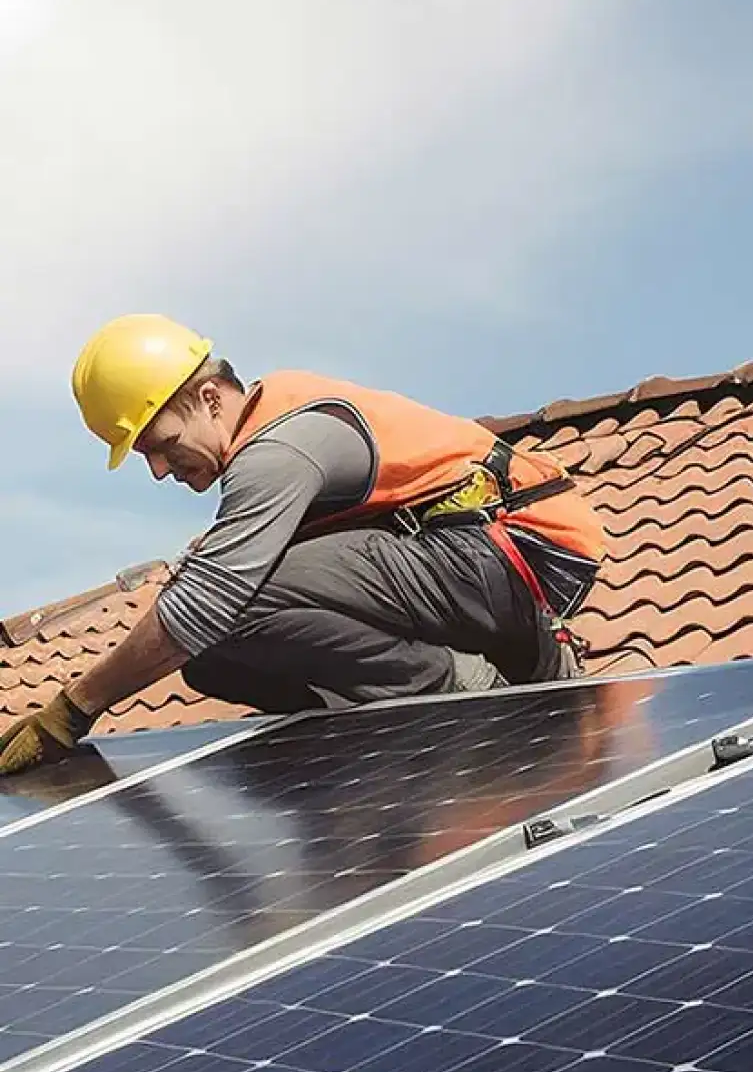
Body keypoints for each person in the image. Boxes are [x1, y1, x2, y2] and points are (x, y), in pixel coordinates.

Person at [0, 314, 607, 776]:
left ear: (209, 398)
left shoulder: (277, 453)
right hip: (465, 566)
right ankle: (370, 735)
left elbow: (204, 604)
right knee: (212, 659)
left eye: (162, 441)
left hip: (518, 550)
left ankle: (463, 687)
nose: (160, 468)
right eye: (145, 457)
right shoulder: (272, 431)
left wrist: (73, 709)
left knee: (224, 609)